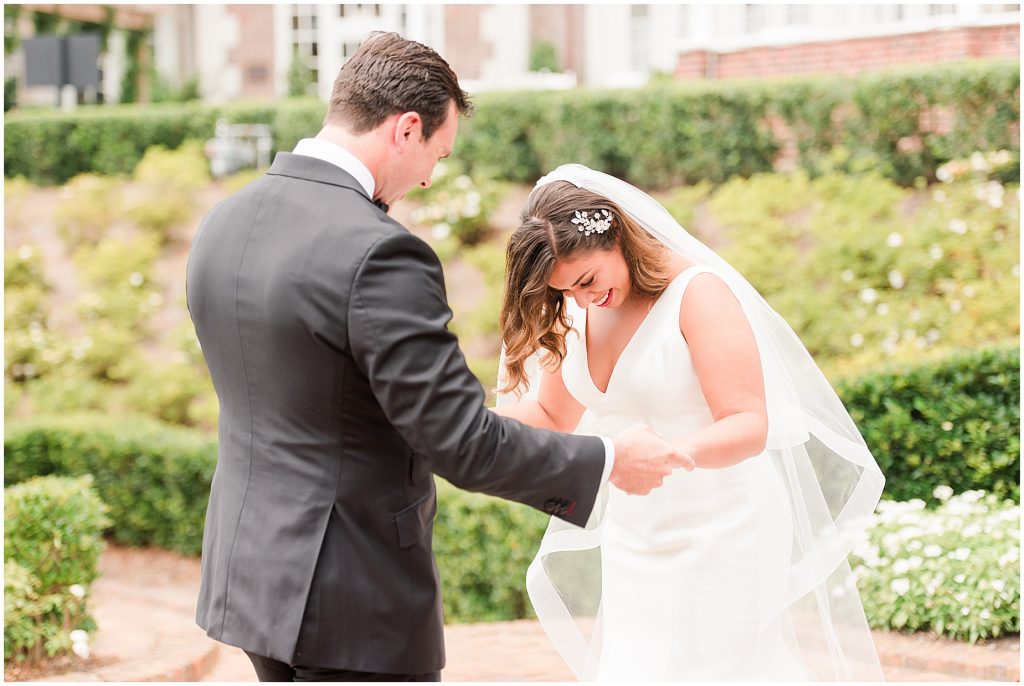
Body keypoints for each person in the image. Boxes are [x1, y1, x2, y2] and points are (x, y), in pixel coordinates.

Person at [185, 34, 692, 682]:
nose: (428, 178)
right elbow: (463, 444)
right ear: (406, 128)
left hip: (250, 572)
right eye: (437, 155)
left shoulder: (223, 222)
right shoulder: (378, 254)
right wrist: (611, 458)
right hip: (350, 594)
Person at [494, 164, 886, 681]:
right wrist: (457, 421)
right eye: (567, 291)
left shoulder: (698, 294)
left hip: (725, 526)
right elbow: (550, 415)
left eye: (587, 279)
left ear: (615, 233)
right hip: (636, 532)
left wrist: (674, 455)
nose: (584, 299)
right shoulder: (578, 310)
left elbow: (748, 421)